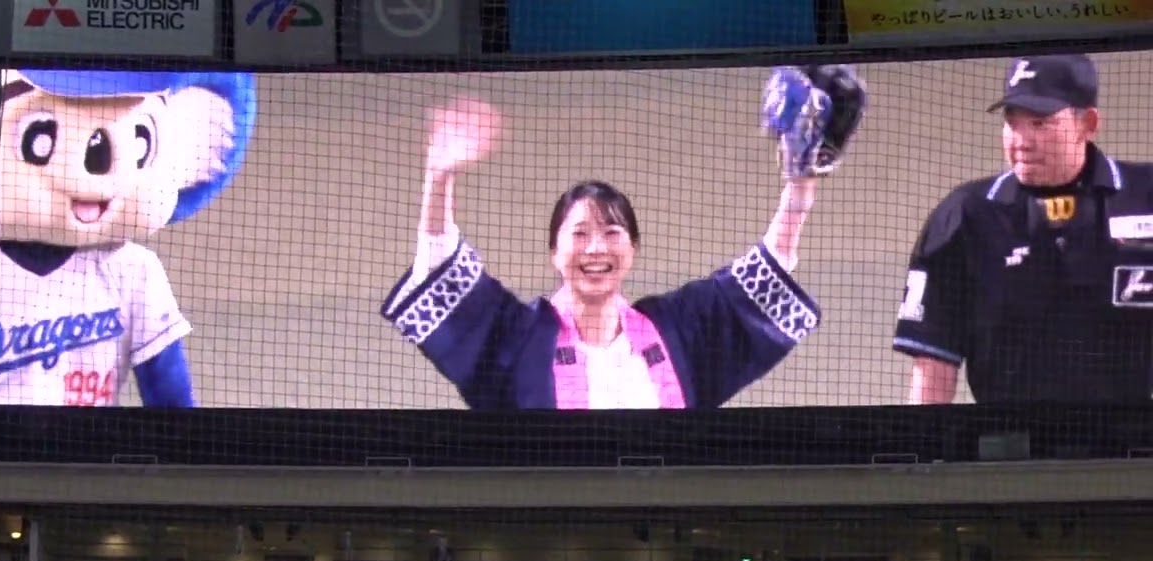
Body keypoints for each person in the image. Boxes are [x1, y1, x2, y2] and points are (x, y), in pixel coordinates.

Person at [381, 68, 865, 410]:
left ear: (632, 249)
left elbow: (767, 268)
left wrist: (801, 183)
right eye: (580, 234)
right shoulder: (517, 337)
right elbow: (439, 262)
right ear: (554, 253)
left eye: (612, 233)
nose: (596, 248)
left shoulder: (680, 329)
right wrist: (439, 175)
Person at [893, 54, 1153, 404]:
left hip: (1133, 435)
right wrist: (923, 438)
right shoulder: (966, 214)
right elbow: (933, 362)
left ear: (1088, 124)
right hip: (1007, 435)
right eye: (1012, 122)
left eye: (1040, 123)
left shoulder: (1145, 196)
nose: (1021, 140)